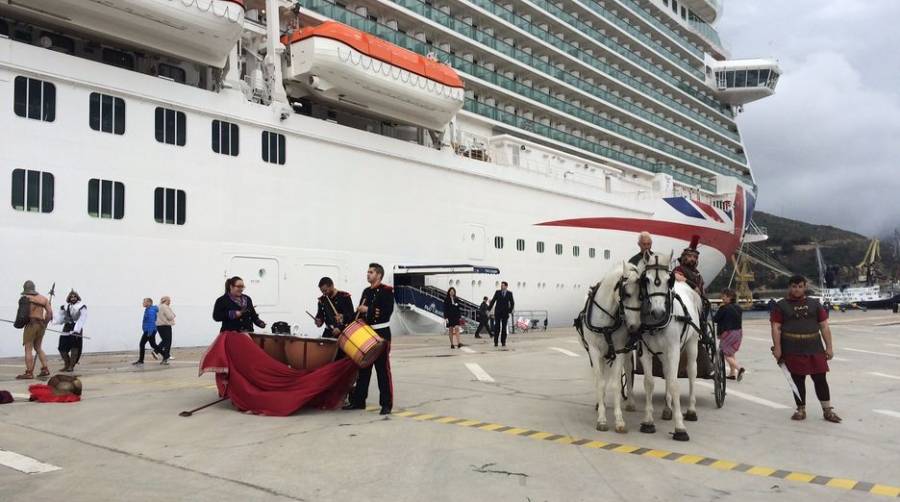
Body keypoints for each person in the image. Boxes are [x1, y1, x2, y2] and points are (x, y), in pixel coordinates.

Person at [771, 275, 841, 423]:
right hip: (792, 348)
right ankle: (800, 409)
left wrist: (829, 347)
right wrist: (778, 348)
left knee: (820, 379)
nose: (797, 289)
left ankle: (827, 411)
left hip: (814, 347)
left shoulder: (815, 304)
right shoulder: (781, 305)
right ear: (790, 287)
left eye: (800, 286)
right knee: (797, 380)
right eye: (794, 286)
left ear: (805, 287)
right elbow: (776, 328)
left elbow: (824, 326)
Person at [345, 263, 394, 415]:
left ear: (379, 275)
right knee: (363, 369)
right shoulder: (366, 291)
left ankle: (386, 404)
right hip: (365, 334)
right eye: (367, 272)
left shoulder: (387, 291)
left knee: (382, 371)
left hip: (381, 334)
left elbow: (387, 312)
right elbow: (358, 314)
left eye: (371, 272)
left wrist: (368, 309)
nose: (368, 274)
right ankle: (359, 401)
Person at [16, 280, 52, 379]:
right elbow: (49, 314)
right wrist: (45, 323)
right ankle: (45, 369)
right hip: (41, 325)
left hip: (31, 324)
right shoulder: (44, 299)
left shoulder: (26, 298)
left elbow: (21, 315)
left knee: (28, 348)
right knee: (38, 348)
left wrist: (20, 323)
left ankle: (29, 372)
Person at [714, 289, 744, 381]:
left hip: (728, 333)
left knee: (724, 353)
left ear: (729, 297)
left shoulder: (724, 308)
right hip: (738, 332)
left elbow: (715, 319)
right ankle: (732, 373)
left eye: (724, 296)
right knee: (731, 352)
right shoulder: (739, 308)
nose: (722, 298)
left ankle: (739, 369)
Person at [55, 290, 87, 372]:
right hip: (67, 327)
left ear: (77, 297)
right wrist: (53, 321)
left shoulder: (82, 306)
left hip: (76, 327)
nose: (73, 298)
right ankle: (67, 364)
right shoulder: (65, 306)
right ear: (69, 298)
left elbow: (82, 319)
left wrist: (76, 330)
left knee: (74, 347)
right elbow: (61, 318)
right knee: (61, 347)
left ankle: (71, 366)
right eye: (71, 297)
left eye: (74, 296)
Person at [133, 298, 160, 366]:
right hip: (150, 330)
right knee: (153, 344)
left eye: (144, 302)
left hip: (149, 330)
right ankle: (166, 355)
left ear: (149, 303)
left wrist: (149, 332)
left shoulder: (151, 311)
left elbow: (151, 322)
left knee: (142, 344)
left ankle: (141, 360)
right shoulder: (148, 309)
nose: (143, 303)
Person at [488, 281, 515, 348]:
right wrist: (488, 309)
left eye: (503, 285)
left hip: (505, 313)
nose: (501, 286)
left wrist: (509, 310)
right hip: (498, 313)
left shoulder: (509, 293)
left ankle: (503, 342)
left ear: (506, 286)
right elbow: (493, 301)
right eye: (501, 285)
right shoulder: (497, 292)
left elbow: (512, 303)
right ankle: (496, 342)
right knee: (497, 328)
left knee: (504, 328)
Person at [156, 296, 176, 365]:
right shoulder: (165, 307)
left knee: (164, 341)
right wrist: (173, 315)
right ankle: (164, 358)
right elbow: (170, 316)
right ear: (166, 300)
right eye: (169, 300)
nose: (170, 302)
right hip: (166, 325)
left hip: (159, 326)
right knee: (168, 342)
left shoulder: (158, 307)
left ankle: (156, 351)